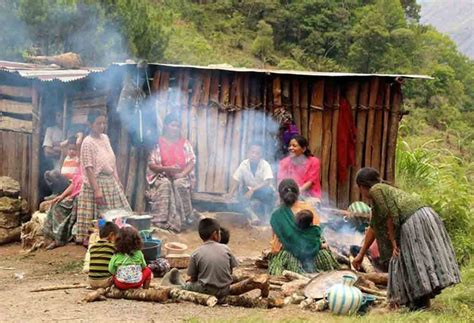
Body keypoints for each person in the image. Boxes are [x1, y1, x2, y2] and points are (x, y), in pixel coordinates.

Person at [351, 167, 461, 310]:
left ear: (362, 186)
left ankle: (418, 302)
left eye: (359, 189)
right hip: (425, 216)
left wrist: (393, 241)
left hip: (413, 220)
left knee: (409, 260)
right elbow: (374, 227)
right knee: (417, 261)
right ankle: (420, 302)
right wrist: (360, 255)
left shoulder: (376, 190)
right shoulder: (383, 192)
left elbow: (389, 213)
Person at [75, 110, 131, 244]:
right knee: (98, 216)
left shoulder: (105, 138)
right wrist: (96, 190)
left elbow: (112, 160)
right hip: (96, 182)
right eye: (98, 123)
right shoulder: (87, 142)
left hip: (110, 181)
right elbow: (88, 167)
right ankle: (93, 241)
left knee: (118, 213)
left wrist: (117, 179)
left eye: (103, 123)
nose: (101, 126)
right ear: (90, 124)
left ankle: (116, 237)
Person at [268, 179, 340, 275]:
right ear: (298, 193)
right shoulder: (308, 208)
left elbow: (276, 242)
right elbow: (316, 232)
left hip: (288, 254)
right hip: (313, 252)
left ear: (280, 195)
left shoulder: (276, 216)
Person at [146, 113, 196, 232]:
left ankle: (185, 219)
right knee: (165, 184)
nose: (175, 129)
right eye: (173, 125)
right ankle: (160, 220)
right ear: (166, 126)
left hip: (180, 175)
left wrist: (181, 174)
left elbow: (192, 161)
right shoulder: (157, 143)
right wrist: (168, 169)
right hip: (161, 175)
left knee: (179, 184)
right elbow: (151, 164)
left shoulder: (185, 143)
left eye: (178, 126)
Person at [184, 218, 238, 300]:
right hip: (225, 290)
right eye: (219, 232)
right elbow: (230, 271)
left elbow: (193, 279)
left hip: (206, 290)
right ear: (215, 234)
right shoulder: (226, 248)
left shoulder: (196, 253)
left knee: (187, 285)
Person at [227, 142, 275, 224]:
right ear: (248, 153)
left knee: (268, 192)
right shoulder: (244, 164)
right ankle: (253, 217)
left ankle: (268, 218)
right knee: (241, 195)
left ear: (261, 155)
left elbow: (267, 182)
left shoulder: (265, 165)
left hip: (263, 190)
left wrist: (253, 190)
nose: (254, 155)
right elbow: (236, 179)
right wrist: (230, 194)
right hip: (250, 190)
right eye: (252, 152)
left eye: (257, 153)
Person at [43, 168, 83, 250]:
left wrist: (73, 197)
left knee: (59, 207)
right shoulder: (80, 169)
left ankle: (60, 239)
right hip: (73, 196)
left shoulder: (88, 169)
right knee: (55, 204)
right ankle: (51, 237)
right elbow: (73, 184)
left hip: (81, 198)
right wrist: (62, 196)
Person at [277, 135, 321, 200]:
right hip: (288, 196)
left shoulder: (314, 162)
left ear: (303, 149)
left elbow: (310, 182)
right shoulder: (284, 162)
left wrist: (296, 193)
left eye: (294, 146)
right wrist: (283, 194)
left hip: (310, 196)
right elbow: (280, 180)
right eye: (289, 146)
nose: (290, 148)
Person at [88, 222, 119, 289]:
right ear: (111, 235)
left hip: (92, 282)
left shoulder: (93, 247)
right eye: (116, 237)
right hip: (106, 282)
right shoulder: (113, 247)